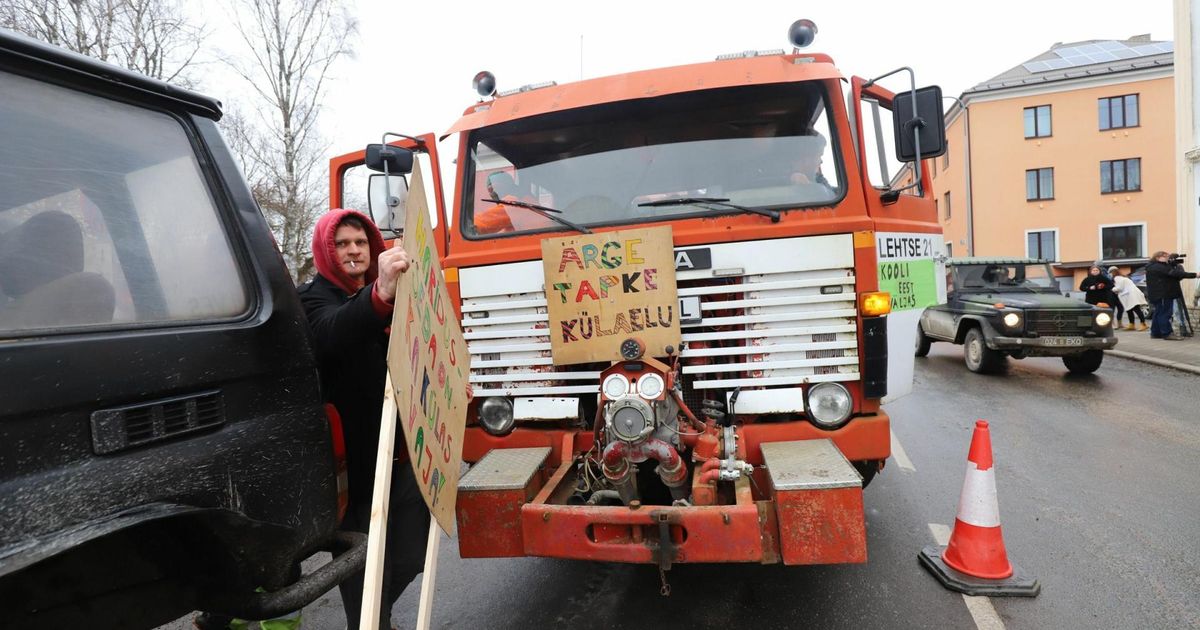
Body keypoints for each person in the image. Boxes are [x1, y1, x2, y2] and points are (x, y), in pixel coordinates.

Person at [299, 209, 430, 628]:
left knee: (415, 545)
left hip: (399, 454)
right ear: (325, 251)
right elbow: (334, 330)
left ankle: (378, 614)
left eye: (359, 242)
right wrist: (380, 296)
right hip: (355, 468)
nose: (353, 251)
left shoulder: (389, 293)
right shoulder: (313, 298)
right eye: (341, 244)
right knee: (363, 565)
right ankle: (371, 621)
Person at [1145, 250, 1197, 340]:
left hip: (1159, 294)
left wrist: (1171, 264)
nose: (1167, 258)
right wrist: (1195, 275)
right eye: (1165, 257)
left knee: (1158, 313)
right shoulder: (1159, 267)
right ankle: (1167, 333)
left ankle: (1156, 333)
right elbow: (1175, 273)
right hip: (1163, 294)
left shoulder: (1153, 266)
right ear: (1158, 257)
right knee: (1165, 314)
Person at [1109, 266, 1148, 331]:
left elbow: (1119, 288)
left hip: (1131, 296)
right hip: (1131, 295)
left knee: (1136, 309)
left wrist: (1112, 289)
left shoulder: (1117, 278)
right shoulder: (1124, 277)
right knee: (1129, 310)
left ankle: (1143, 324)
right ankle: (1131, 324)